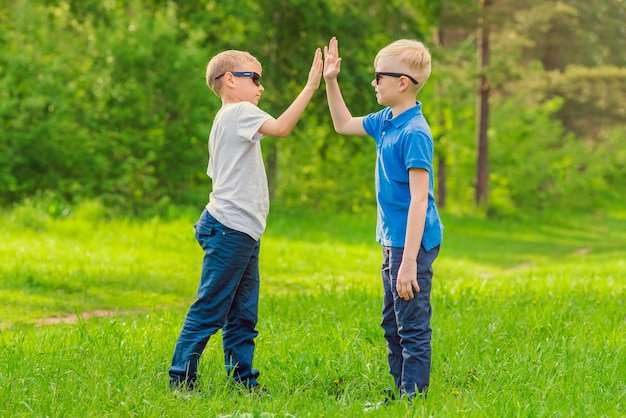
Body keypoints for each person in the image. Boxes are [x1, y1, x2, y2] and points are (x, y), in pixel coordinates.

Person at [169, 47, 323, 392]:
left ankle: (242, 383)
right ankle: (180, 380)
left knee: (241, 316)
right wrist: (311, 85)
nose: (260, 87)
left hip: (240, 231)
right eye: (254, 78)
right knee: (210, 309)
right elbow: (282, 128)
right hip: (230, 230)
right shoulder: (238, 112)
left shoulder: (224, 120)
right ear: (229, 80)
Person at [323, 37, 443, 400]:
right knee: (392, 323)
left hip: (413, 245)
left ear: (402, 82)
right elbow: (343, 124)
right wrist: (330, 80)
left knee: (411, 325)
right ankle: (399, 390)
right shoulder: (386, 121)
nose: (373, 83)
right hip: (392, 241)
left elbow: (420, 200)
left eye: (379, 76)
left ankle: (414, 399)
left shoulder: (414, 132)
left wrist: (408, 262)